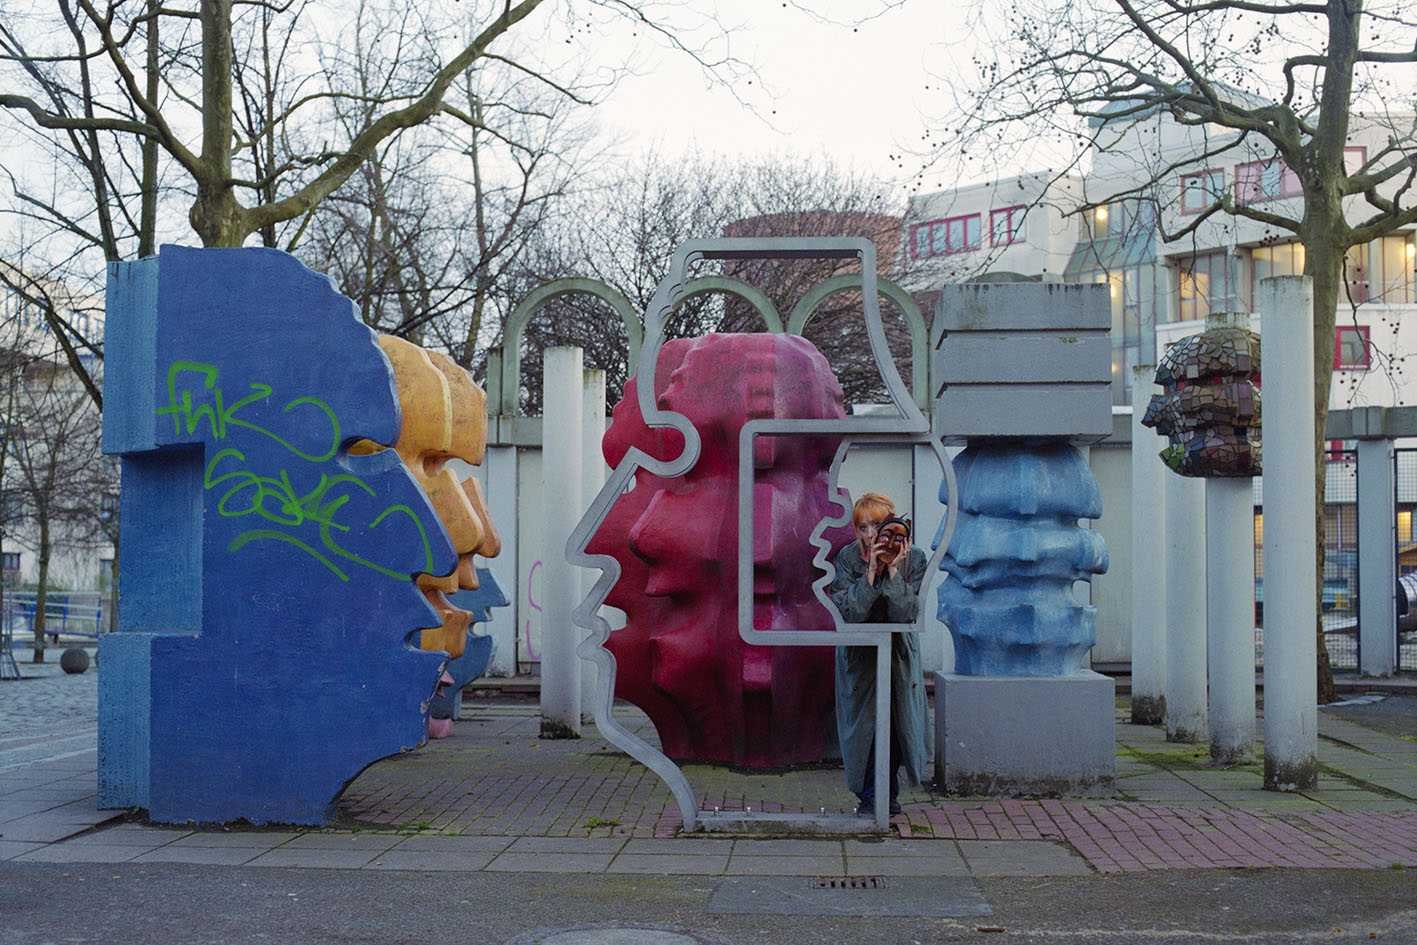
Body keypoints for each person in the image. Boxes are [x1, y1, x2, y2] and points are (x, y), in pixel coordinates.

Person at [828, 492, 929, 817]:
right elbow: (850, 613)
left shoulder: (915, 558)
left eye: (878, 526)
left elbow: (907, 613)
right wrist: (871, 572)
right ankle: (871, 797)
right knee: (863, 731)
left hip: (897, 656)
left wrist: (894, 571)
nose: (871, 535)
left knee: (898, 726)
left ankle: (887, 795)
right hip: (861, 658)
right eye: (863, 527)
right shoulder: (847, 558)